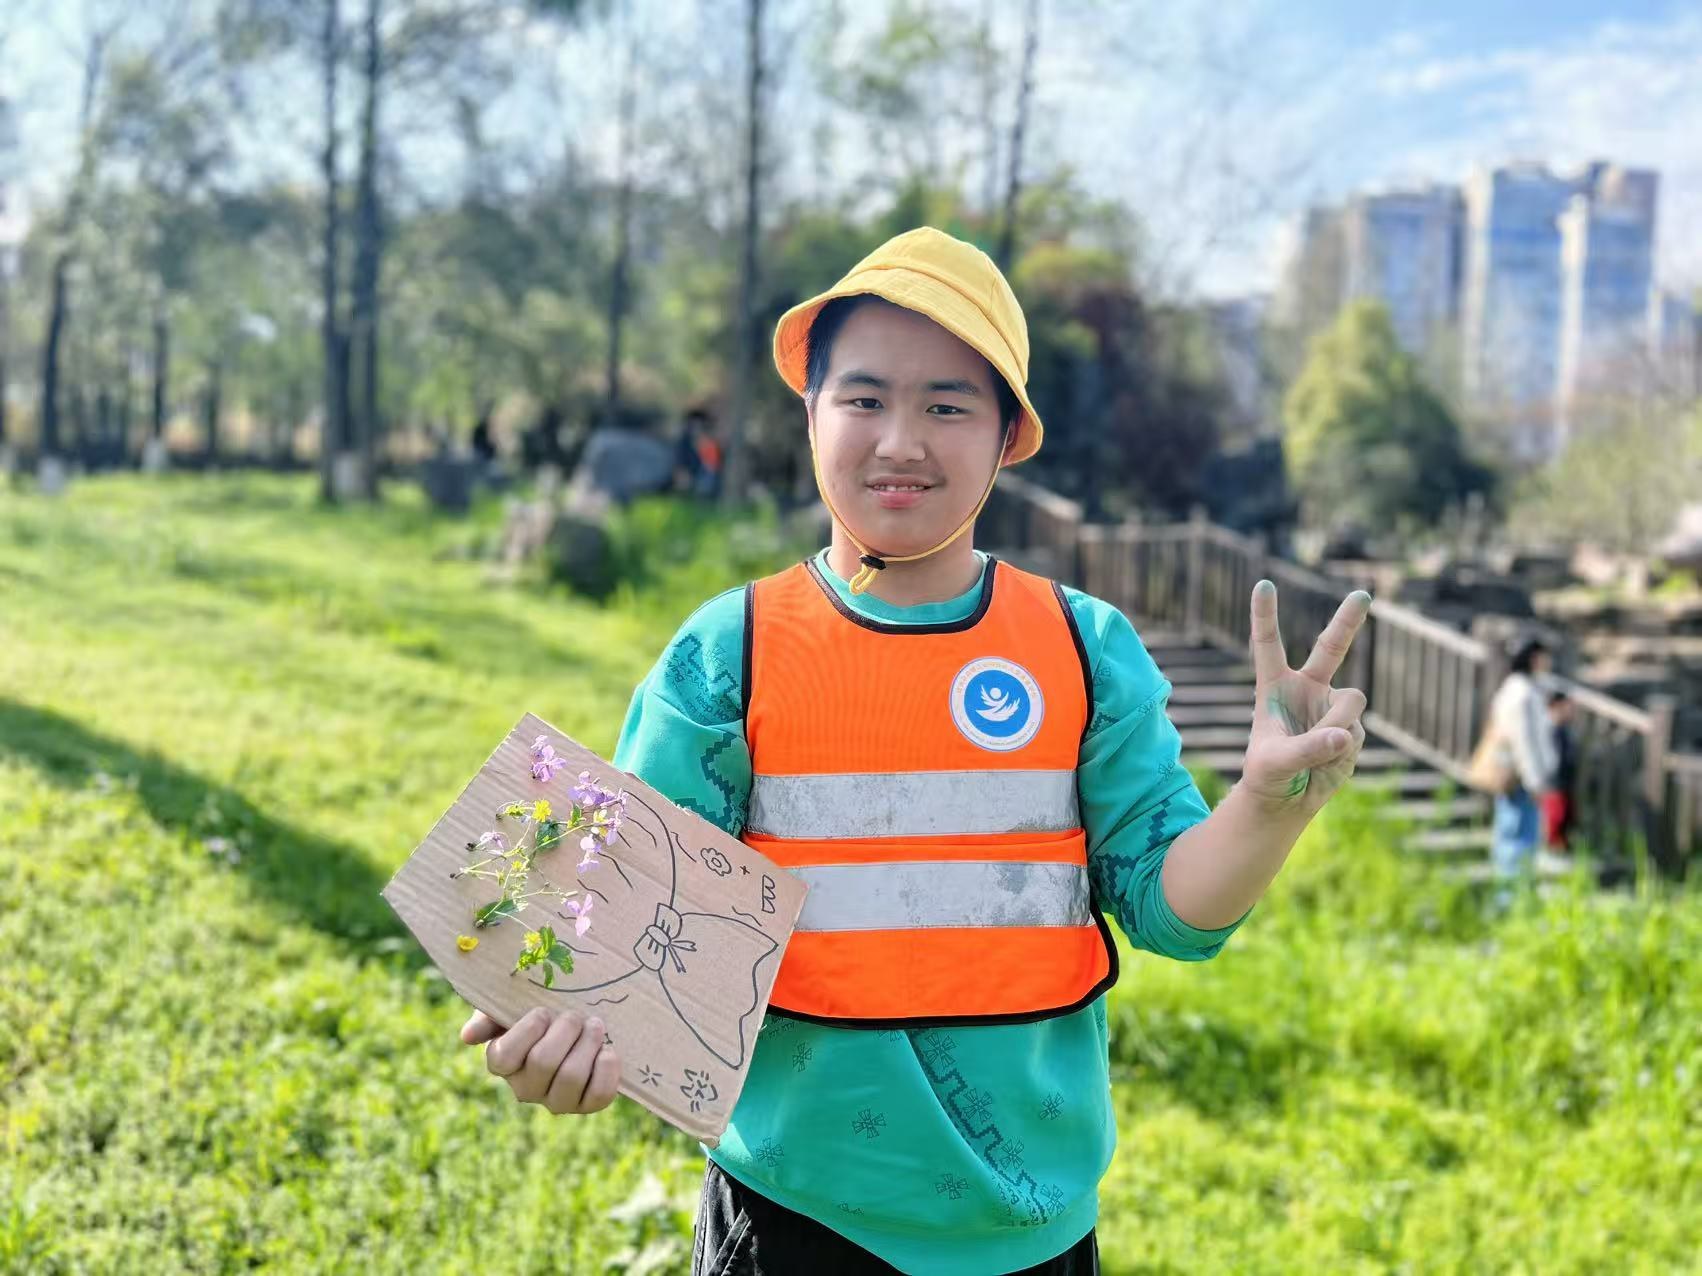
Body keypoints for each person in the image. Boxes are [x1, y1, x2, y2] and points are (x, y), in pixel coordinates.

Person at [457, 227, 1372, 1275]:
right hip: (791, 1216)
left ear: (1005, 436)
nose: (900, 439)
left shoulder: (1083, 649)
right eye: (863, 399)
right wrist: (561, 1040)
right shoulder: (728, 654)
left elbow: (1170, 909)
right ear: (810, 415)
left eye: (946, 404)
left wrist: (1265, 805)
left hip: (1033, 1229)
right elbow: (622, 932)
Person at [1487, 636, 1559, 879]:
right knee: (1518, 838)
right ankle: (1511, 898)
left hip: (1511, 773)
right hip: (1522, 778)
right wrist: (1535, 782)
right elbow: (1525, 741)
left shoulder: (1512, 689)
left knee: (1509, 833)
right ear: (1534, 658)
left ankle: (1510, 894)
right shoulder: (1524, 694)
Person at [1543, 688, 1577, 854]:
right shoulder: (1548, 729)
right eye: (1566, 706)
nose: (1569, 710)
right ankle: (1553, 849)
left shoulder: (1564, 728)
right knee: (1556, 817)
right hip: (1553, 783)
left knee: (1566, 817)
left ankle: (1561, 847)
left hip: (1565, 781)